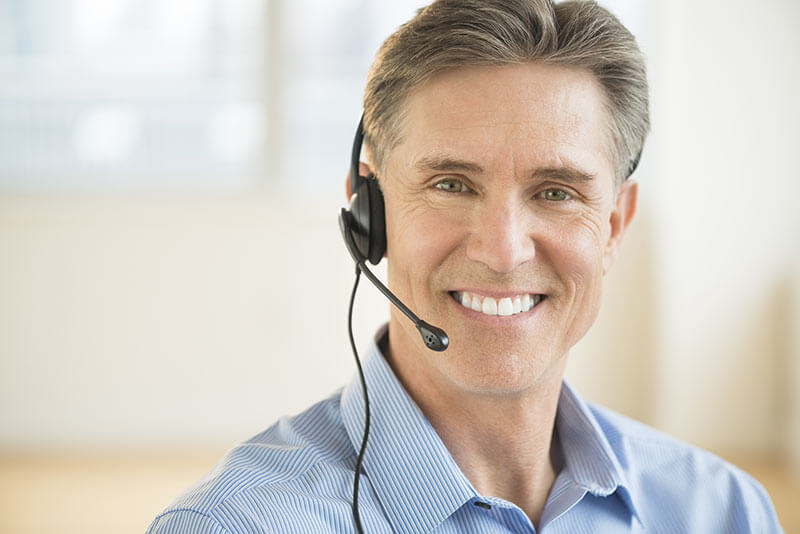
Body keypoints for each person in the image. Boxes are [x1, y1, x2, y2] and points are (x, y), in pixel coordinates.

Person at [147, 1, 784, 532]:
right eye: (452, 184)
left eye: (556, 192)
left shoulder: (723, 512)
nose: (503, 251)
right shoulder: (236, 524)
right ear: (370, 208)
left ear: (614, 224)